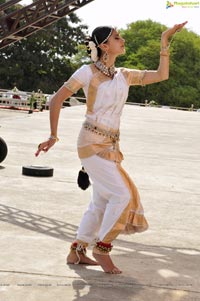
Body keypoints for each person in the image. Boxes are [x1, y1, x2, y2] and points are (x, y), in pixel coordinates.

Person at [35, 21, 187, 274]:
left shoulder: (123, 75)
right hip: (91, 143)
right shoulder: (87, 72)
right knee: (121, 195)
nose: (123, 40)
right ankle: (102, 248)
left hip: (111, 145)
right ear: (104, 46)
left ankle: (77, 250)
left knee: (101, 202)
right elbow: (56, 99)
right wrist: (53, 135)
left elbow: (162, 75)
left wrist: (164, 41)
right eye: (117, 37)